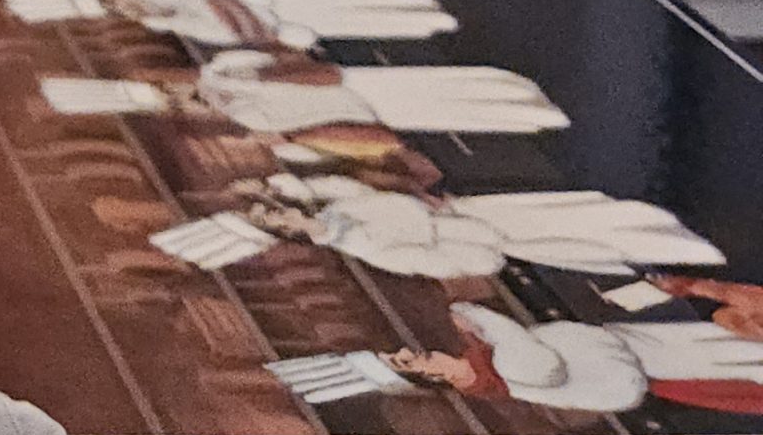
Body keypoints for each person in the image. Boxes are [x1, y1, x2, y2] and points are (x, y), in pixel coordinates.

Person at [234, 174, 726, 279]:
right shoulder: (367, 248)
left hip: (471, 209)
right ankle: (689, 244)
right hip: (487, 234)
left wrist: (430, 206)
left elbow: (393, 199)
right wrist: (459, 229)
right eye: (276, 217)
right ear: (290, 232)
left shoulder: (341, 209)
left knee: (582, 208)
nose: (283, 210)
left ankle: (667, 210)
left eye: (275, 207)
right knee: (585, 237)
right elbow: (446, 261)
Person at [390, 301, 763, 418]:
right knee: (741, 359)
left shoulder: (483, 362)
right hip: (642, 364)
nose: (413, 353)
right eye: (409, 363)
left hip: (628, 346)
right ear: (434, 378)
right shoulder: (500, 373)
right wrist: (477, 314)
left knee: (733, 341)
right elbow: (541, 360)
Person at [196, 49, 566, 136]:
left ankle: (515, 89)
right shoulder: (246, 116)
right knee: (434, 111)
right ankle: (528, 115)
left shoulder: (221, 67)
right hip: (354, 105)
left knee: (427, 86)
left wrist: (253, 81)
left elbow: (275, 58)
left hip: (347, 80)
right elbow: (300, 120)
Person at [117, 0, 456, 51]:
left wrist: (228, 1)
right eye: (138, 13)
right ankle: (422, 21)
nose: (143, 7)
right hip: (279, 18)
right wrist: (225, 5)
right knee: (351, 17)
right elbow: (237, 34)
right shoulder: (176, 24)